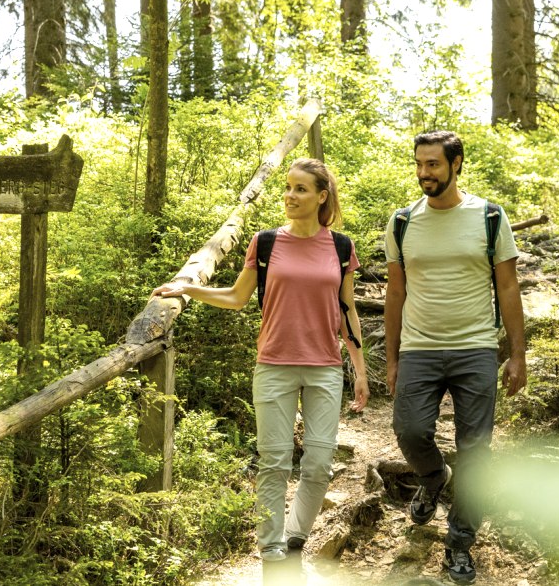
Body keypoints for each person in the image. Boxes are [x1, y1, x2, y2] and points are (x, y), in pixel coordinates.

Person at [152, 158, 369, 563]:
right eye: (288, 187)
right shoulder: (266, 242)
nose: (290, 195)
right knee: (274, 461)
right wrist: (186, 289)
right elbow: (237, 298)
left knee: (320, 463)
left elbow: (347, 309)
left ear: (321, 196)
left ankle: (295, 537)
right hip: (273, 364)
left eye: (301, 189)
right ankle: (271, 549)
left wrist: (359, 370)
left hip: (324, 365)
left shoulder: (340, 246)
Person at [384, 131, 527, 584]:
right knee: (409, 430)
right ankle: (432, 479)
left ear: (456, 163)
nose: (425, 173)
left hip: (476, 350)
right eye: (420, 164)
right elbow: (395, 292)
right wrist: (391, 359)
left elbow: (507, 287)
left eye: (434, 165)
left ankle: (460, 542)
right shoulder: (403, 221)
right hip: (419, 349)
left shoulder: (488, 217)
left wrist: (517, 354)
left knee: (476, 451)